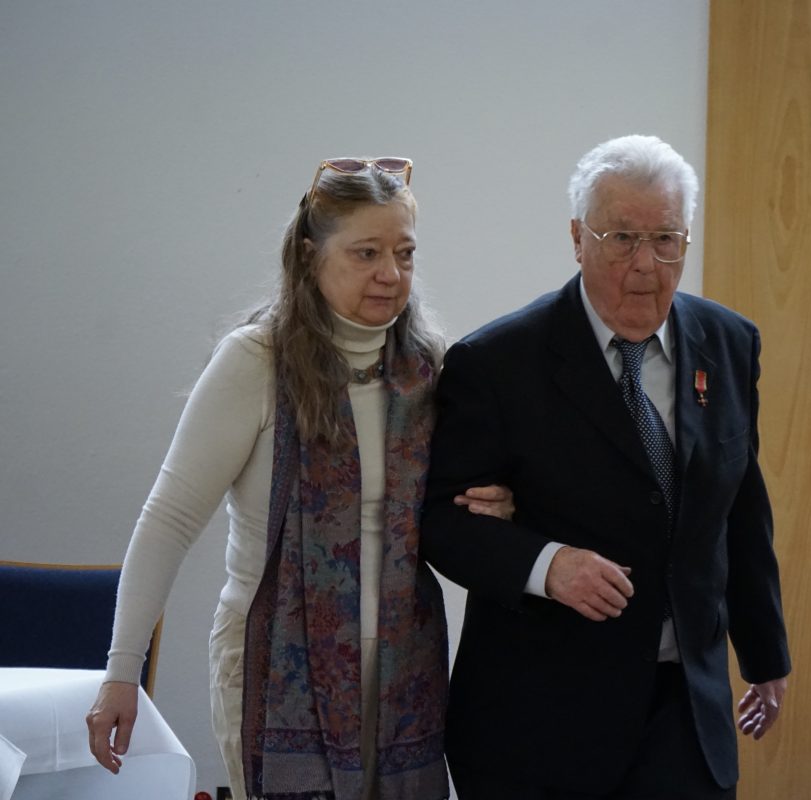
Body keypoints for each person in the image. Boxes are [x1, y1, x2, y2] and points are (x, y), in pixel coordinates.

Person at [85, 157, 513, 800]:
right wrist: (122, 672)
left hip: (404, 673)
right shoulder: (256, 360)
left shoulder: (426, 367)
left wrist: (495, 505)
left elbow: (442, 508)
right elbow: (169, 520)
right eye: (366, 253)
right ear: (311, 256)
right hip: (273, 668)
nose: (390, 273)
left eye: (404, 253)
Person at [420, 135, 791, 799]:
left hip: (685, 711)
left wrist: (764, 654)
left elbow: (739, 505)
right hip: (542, 721)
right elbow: (442, 523)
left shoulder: (730, 343)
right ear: (577, 238)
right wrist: (547, 565)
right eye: (621, 238)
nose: (645, 264)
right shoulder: (498, 362)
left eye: (666, 239)